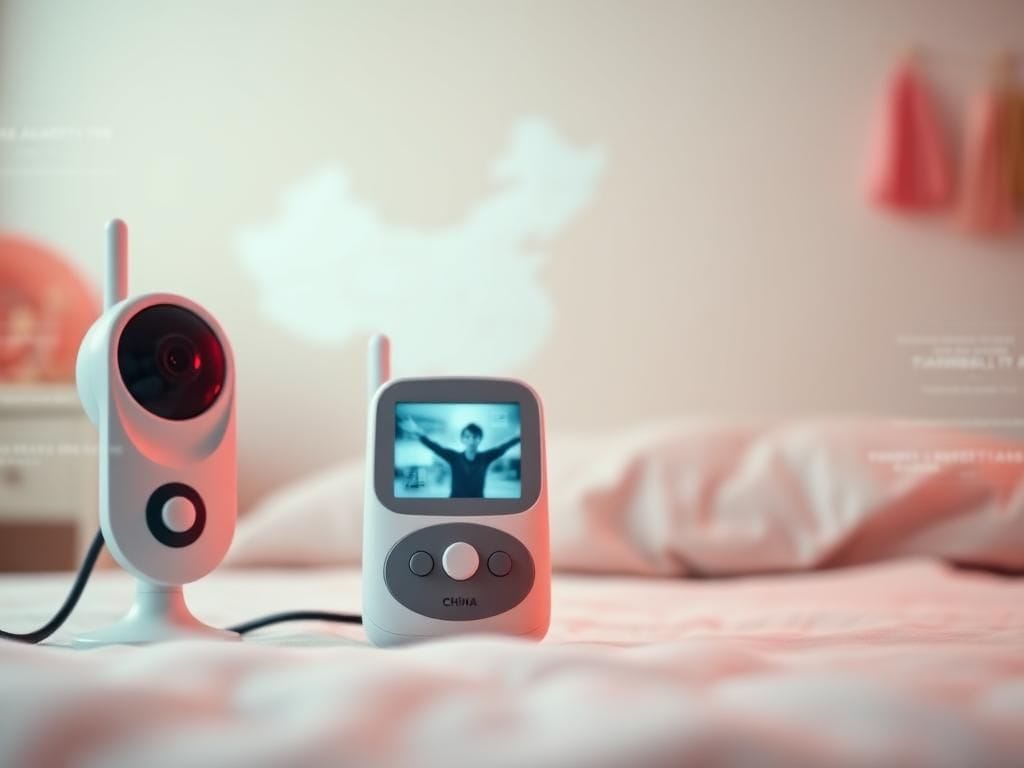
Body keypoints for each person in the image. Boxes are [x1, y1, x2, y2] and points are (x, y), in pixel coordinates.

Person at [400, 417, 520, 498]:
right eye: (468, 437)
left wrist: (518, 437)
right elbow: (435, 447)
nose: (471, 440)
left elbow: (503, 448)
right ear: (463, 439)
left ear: (480, 439)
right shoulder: (454, 457)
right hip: (454, 504)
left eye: (475, 437)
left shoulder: (486, 457)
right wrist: (418, 432)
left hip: (479, 506)